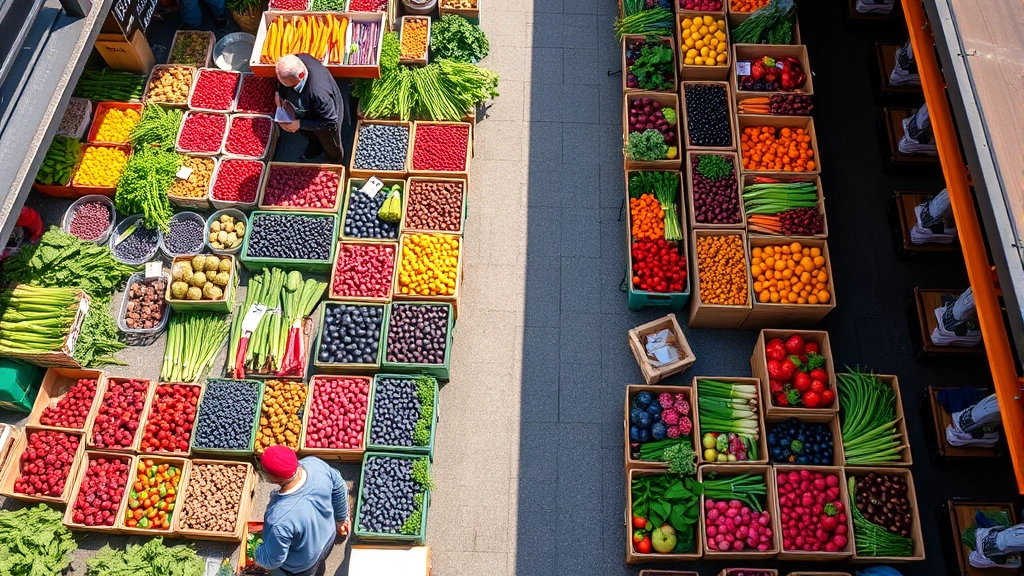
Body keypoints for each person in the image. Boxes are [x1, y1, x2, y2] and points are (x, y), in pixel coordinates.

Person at [254, 446, 350, 576]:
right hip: (328, 539)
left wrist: (257, 553)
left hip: (301, 564)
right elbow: (339, 486)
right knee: (319, 565)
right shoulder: (315, 464)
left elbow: (272, 560)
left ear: (274, 478)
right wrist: (341, 519)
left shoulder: (279, 519)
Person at [275, 54, 349, 163]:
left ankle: (334, 161)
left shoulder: (319, 94)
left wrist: (300, 124)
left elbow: (330, 122)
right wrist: (279, 96)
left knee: (331, 146)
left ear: (301, 75)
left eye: (290, 86)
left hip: (325, 120)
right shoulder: (299, 59)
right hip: (307, 111)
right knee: (310, 134)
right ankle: (315, 147)